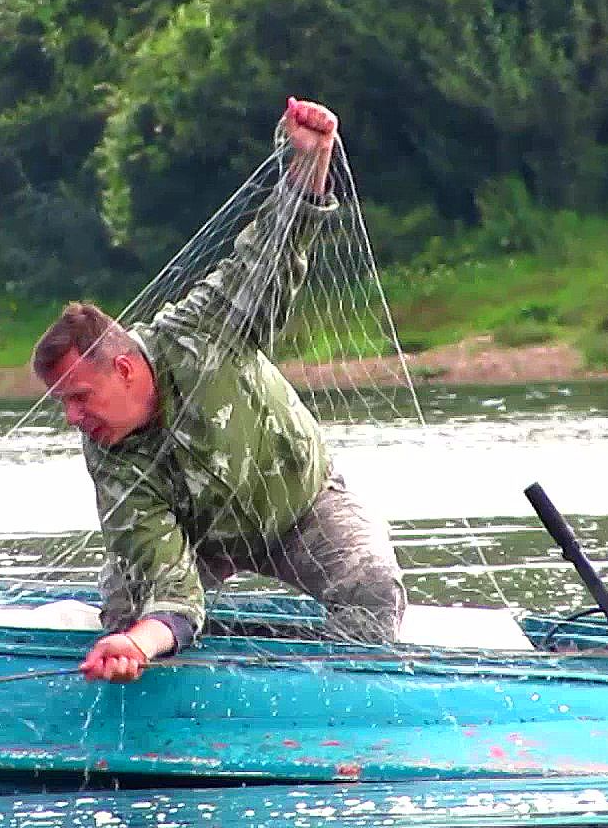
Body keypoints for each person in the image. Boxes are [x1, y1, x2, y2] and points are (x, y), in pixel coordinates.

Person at [31, 97, 407, 684]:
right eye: (64, 405)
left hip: (300, 504)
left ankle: (333, 700)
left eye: (80, 396)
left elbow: (267, 258)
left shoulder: (201, 329)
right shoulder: (107, 450)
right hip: (199, 539)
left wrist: (310, 163)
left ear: (125, 368)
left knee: (372, 588)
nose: (74, 418)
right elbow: (165, 580)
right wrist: (137, 644)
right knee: (129, 611)